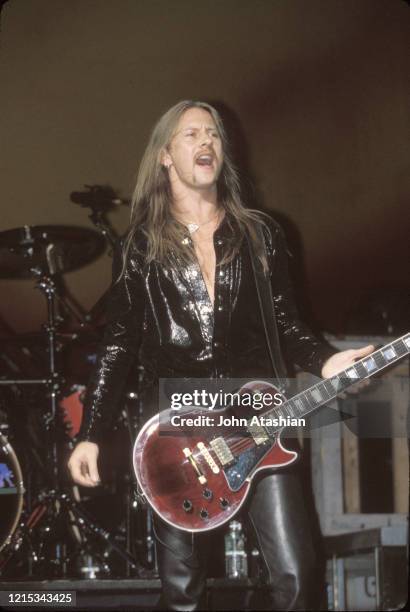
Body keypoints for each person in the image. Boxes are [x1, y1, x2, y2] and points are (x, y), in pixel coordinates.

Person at [68, 100, 373, 611]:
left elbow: (288, 322)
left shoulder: (261, 233)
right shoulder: (140, 245)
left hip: (257, 417)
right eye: (191, 134)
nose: (206, 141)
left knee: (297, 575)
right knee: (183, 592)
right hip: (180, 428)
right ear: (166, 155)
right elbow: (119, 343)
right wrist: (91, 435)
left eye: (213, 133)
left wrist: (326, 362)